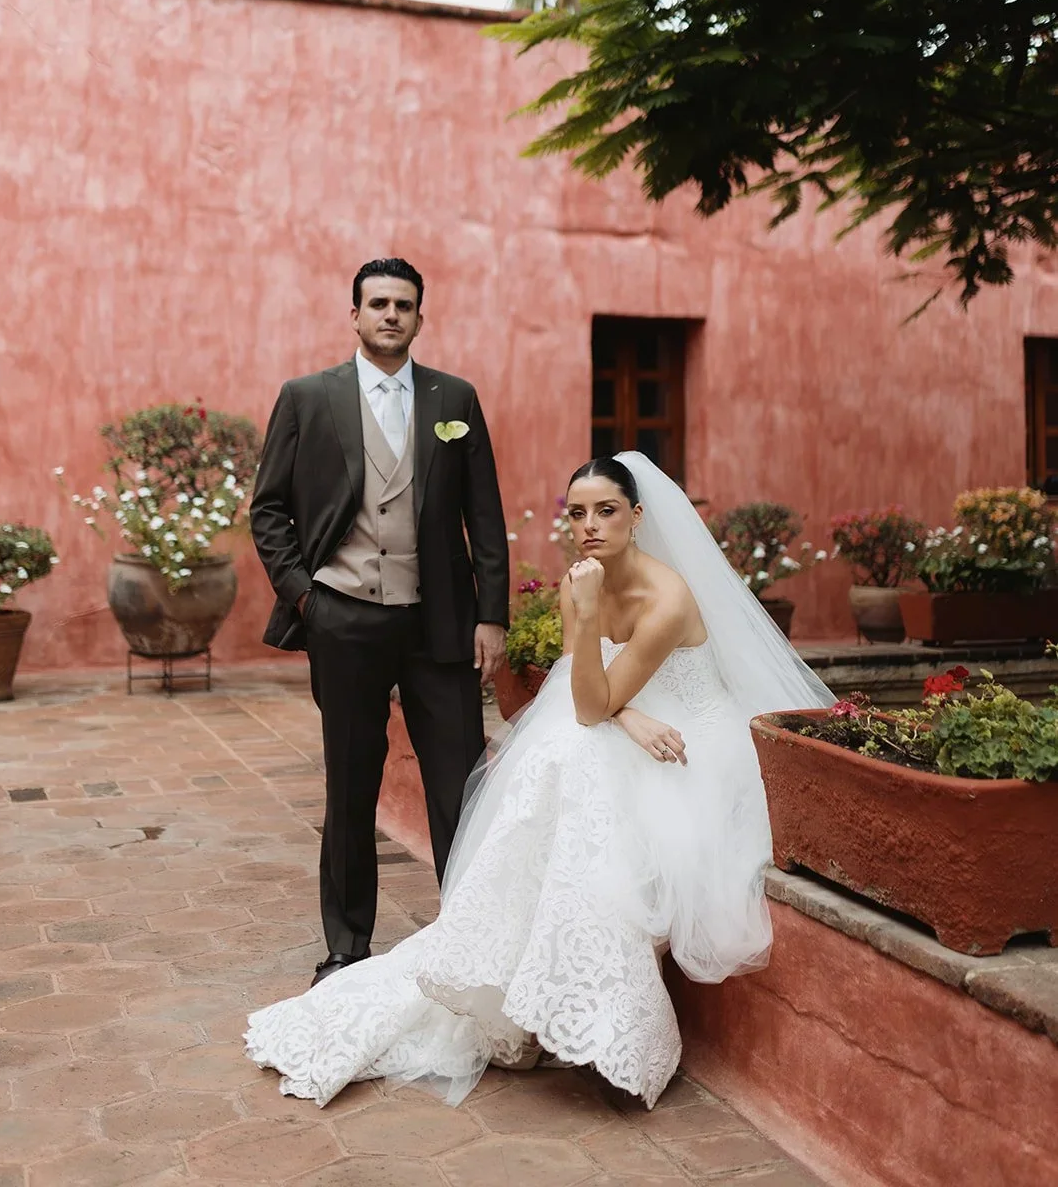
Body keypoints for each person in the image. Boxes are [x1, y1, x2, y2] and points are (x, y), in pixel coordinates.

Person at [245, 453, 834, 1109]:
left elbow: (588, 702)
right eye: (576, 513)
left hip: (696, 738)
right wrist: (627, 712)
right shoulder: (579, 583)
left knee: (575, 756)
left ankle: (584, 1007)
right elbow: (592, 699)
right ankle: (517, 999)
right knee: (566, 757)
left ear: (636, 517)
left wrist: (613, 695)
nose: (588, 526)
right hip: (630, 714)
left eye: (605, 511)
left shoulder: (667, 598)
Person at [249, 257, 509, 989]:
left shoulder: (453, 397)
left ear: (419, 317)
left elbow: (482, 512)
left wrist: (491, 614)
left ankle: (469, 935)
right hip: (345, 619)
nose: (390, 314)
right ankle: (346, 947)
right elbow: (267, 509)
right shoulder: (308, 398)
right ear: (354, 314)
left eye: (403, 304)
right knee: (352, 784)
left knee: (459, 783)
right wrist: (305, 596)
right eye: (377, 303)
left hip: (439, 622)